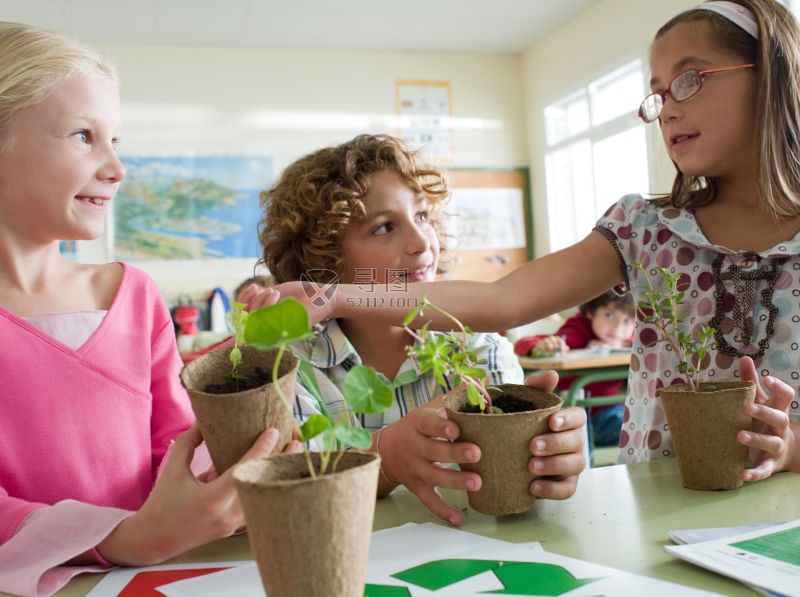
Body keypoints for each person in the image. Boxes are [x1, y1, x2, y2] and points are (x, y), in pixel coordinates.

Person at [247, 0, 800, 481]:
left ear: (772, 74)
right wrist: (335, 296)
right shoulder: (645, 229)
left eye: (689, 79)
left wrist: (790, 448)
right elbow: (501, 301)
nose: (667, 107)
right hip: (661, 509)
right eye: (656, 94)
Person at [0, 22, 296, 596]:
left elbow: (177, 443)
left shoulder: (133, 294)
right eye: (83, 136)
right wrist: (122, 538)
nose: (116, 166)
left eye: (117, 141)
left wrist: (240, 456)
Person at [250, 133, 587, 526]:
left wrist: (544, 458)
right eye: (382, 228)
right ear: (325, 257)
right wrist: (385, 456)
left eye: (423, 216)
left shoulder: (478, 347)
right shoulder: (289, 366)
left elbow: (509, 492)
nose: (421, 242)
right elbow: (292, 485)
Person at [514, 290, 635, 447]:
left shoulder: (628, 342)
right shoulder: (576, 332)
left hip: (613, 408)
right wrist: (542, 347)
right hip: (580, 416)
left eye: (627, 321)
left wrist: (619, 347)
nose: (617, 328)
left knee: (642, 424)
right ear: (592, 312)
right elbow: (523, 342)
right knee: (632, 428)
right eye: (609, 315)